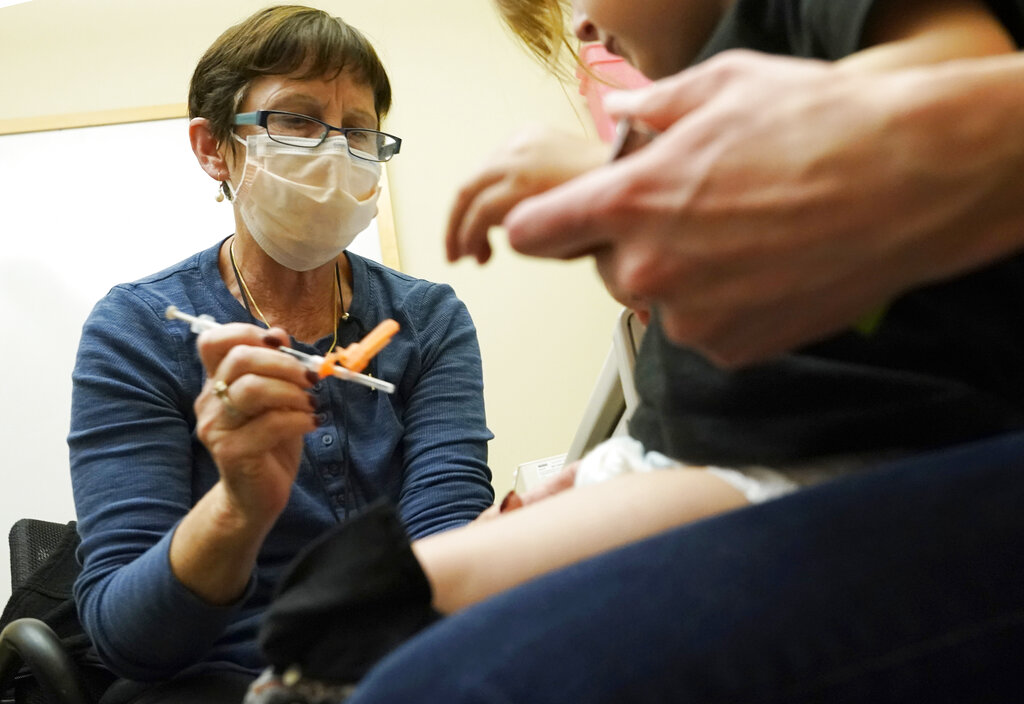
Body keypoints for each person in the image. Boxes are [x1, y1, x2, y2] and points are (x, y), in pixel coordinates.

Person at [68, 6, 493, 703]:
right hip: (218, 676)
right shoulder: (138, 329)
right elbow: (129, 640)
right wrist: (237, 507)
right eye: (295, 120)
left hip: (406, 655)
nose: (333, 152)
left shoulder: (426, 318)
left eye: (358, 128)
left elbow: (444, 530)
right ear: (214, 148)